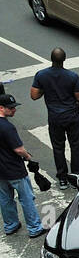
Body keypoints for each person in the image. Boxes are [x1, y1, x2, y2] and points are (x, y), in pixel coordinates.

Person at [30, 49, 79, 190]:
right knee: (75, 146)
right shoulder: (72, 76)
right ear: (64, 59)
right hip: (72, 116)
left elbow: (34, 95)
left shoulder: (42, 75)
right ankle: (77, 175)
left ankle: (63, 178)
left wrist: (45, 88)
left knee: (58, 148)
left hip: (55, 118)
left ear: (51, 59)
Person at [0, 95, 45, 239]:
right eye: (11, 108)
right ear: (1, 108)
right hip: (14, 170)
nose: (14, 110)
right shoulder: (7, 127)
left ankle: (10, 225)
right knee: (26, 199)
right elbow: (18, 149)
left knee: (5, 199)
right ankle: (34, 228)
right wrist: (28, 157)